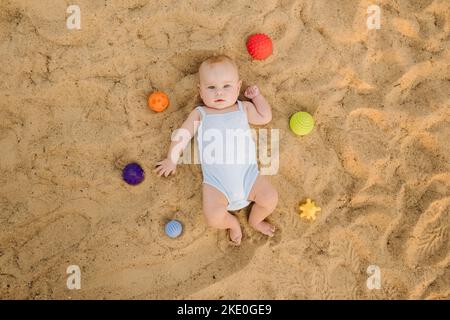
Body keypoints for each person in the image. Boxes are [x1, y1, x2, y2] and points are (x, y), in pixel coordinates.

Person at [154, 55, 278, 245]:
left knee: (270, 198)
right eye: (211, 87)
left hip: (249, 177)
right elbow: (183, 135)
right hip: (217, 185)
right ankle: (232, 224)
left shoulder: (242, 108)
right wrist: (171, 158)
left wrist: (257, 98)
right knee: (213, 217)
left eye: (226, 86)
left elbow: (264, 117)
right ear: (200, 91)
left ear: (238, 87)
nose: (219, 92)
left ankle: (255, 219)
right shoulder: (200, 114)